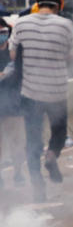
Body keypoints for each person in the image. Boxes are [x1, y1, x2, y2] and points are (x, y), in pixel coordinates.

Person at [7, 0, 73, 203]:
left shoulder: (22, 23)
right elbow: (72, 56)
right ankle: (52, 155)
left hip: (31, 93)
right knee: (59, 133)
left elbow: (12, 55)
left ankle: (38, 186)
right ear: (58, 5)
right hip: (57, 92)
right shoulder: (66, 25)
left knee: (33, 141)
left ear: (38, 3)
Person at [0, 17, 25, 189]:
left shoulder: (14, 52)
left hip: (14, 103)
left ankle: (18, 172)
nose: (2, 36)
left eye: (3, 32)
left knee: (18, 141)